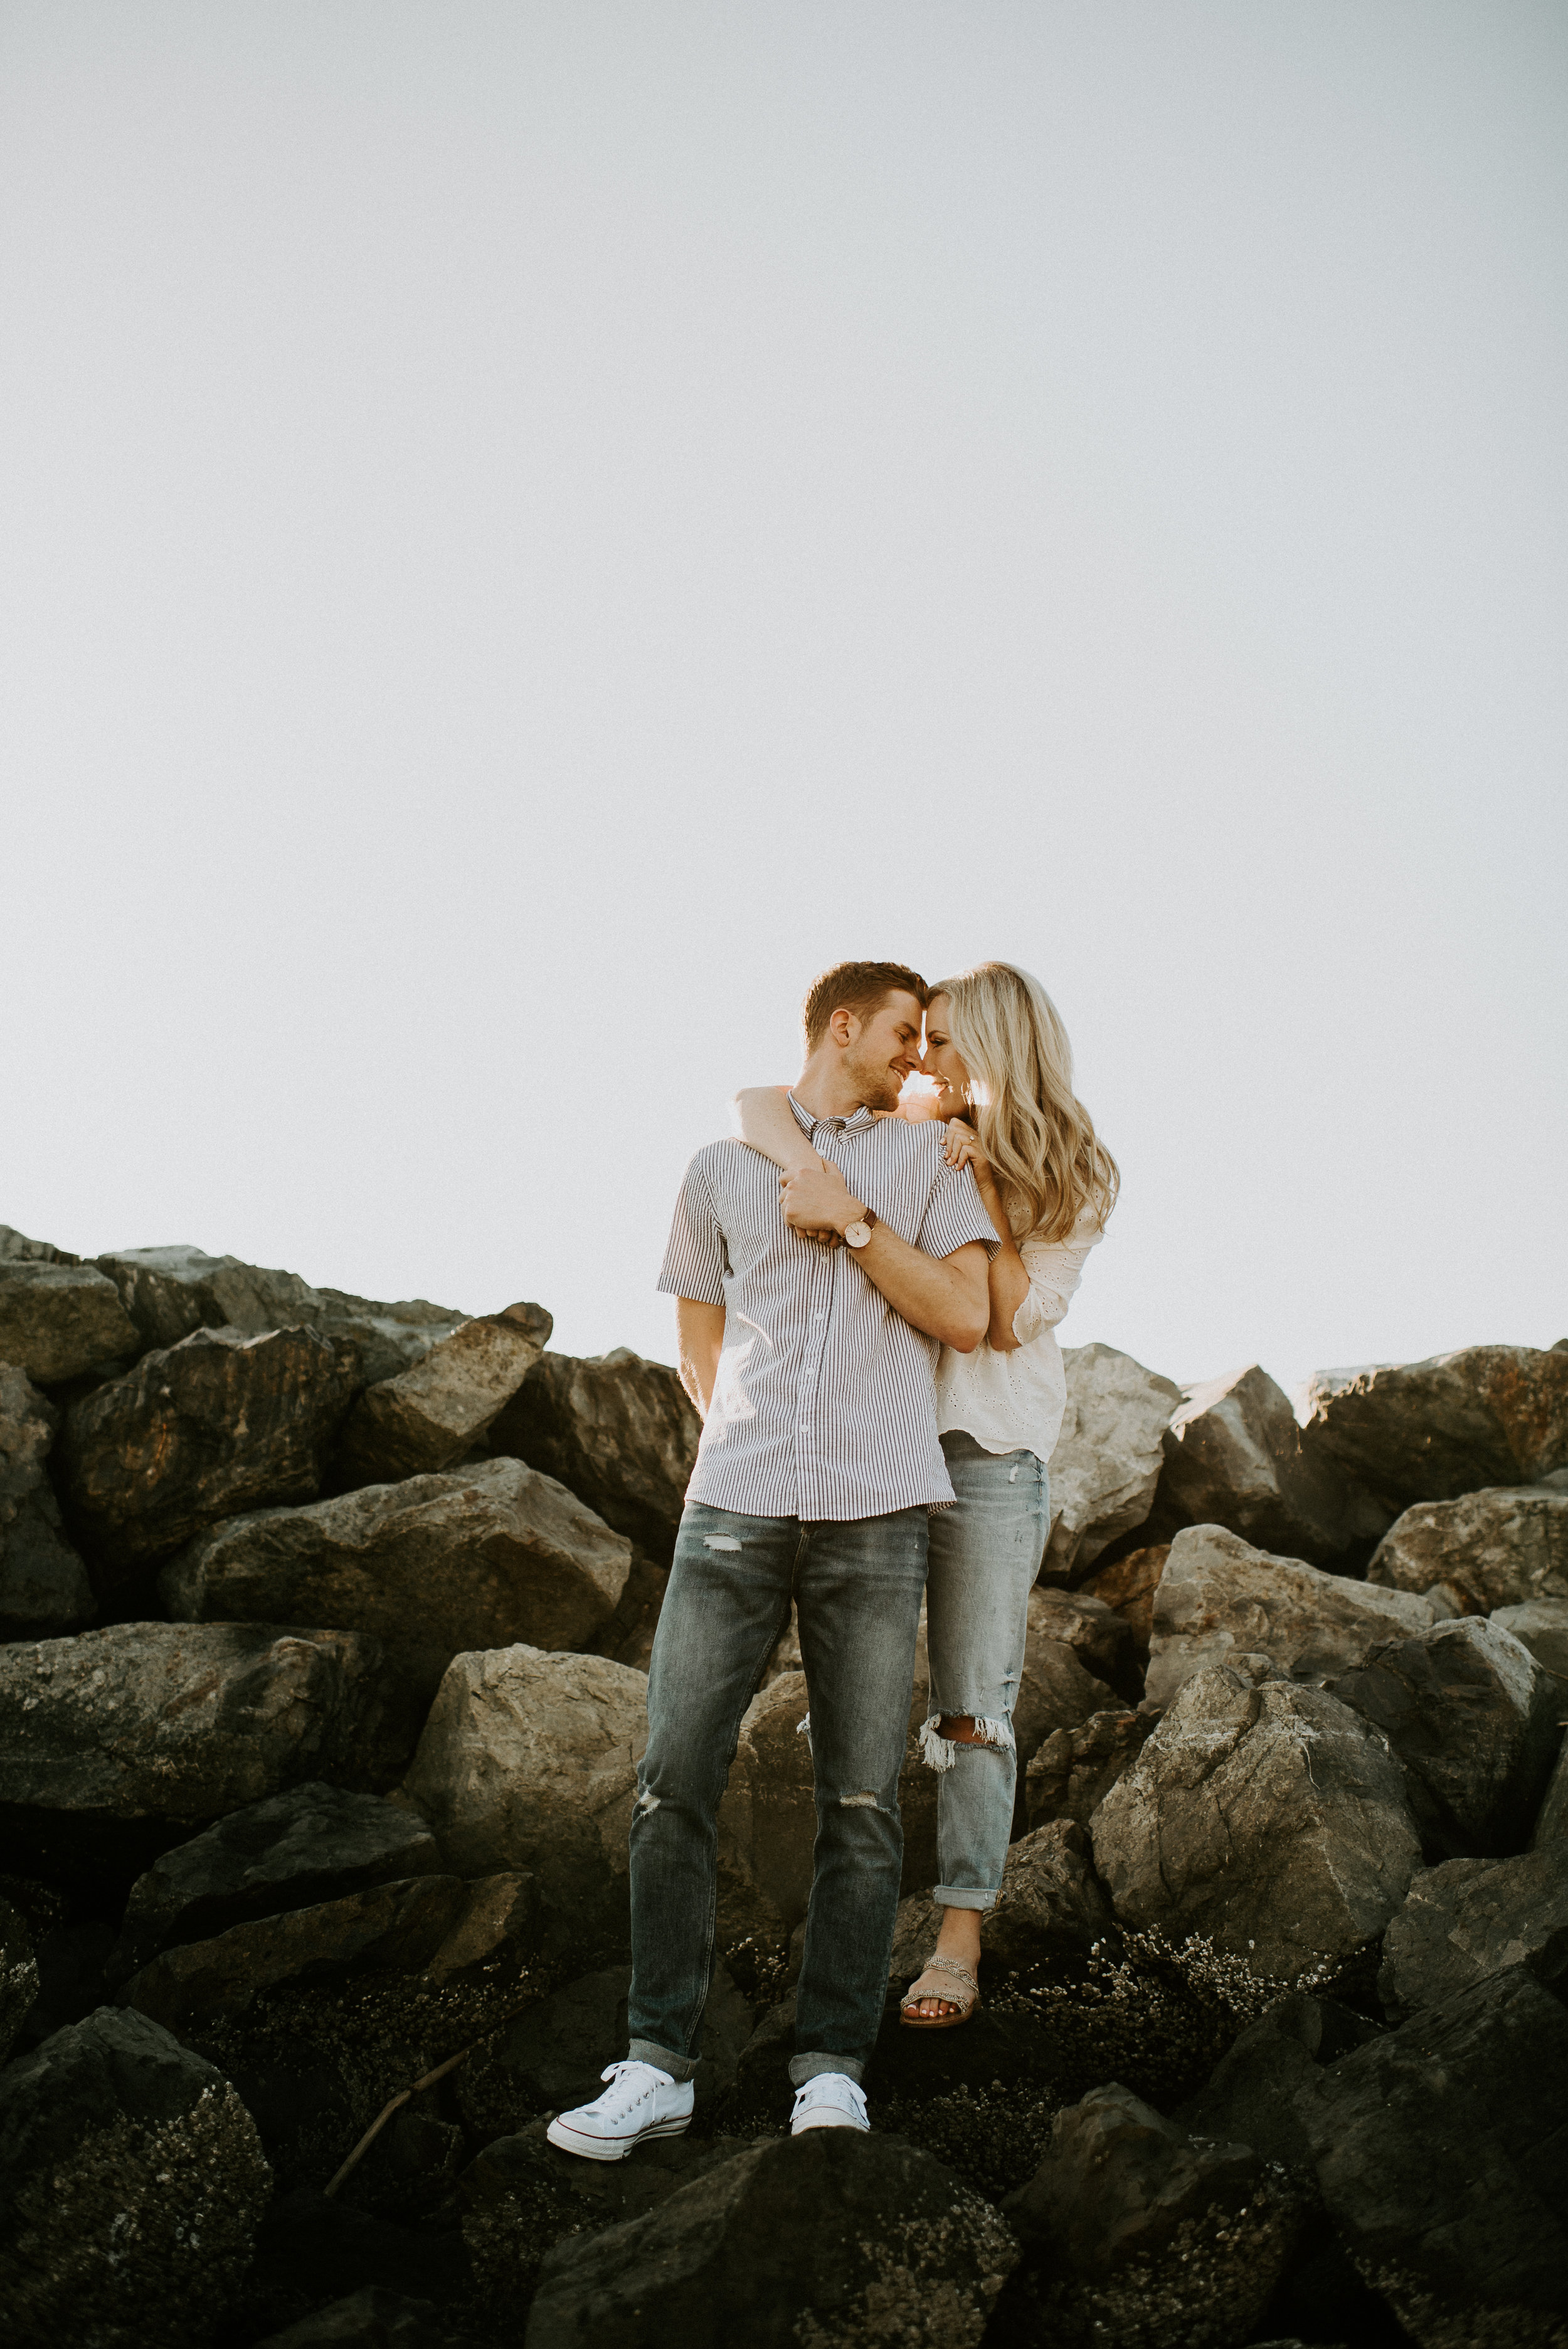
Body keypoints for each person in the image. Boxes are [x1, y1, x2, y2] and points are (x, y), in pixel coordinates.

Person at [546, 960, 1000, 2161]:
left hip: (877, 1511)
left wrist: (853, 1219)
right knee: (670, 1781)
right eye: (903, 1033)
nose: (918, 1055)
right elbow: (698, 1334)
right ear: (839, 1025)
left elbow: (965, 1312)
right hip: (733, 1509)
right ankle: (656, 2063)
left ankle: (831, 2068)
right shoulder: (717, 1169)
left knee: (860, 1799)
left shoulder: (930, 1158)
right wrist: (743, 1441)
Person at [732, 961, 1118, 2027]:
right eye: (918, 1040)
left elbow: (1002, 1319)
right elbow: (761, 1104)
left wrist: (979, 1182)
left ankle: (959, 1935)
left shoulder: (1078, 1169)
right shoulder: (906, 1121)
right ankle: (824, 1916)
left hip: (991, 1449)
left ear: (995, 1048)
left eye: (942, 1042)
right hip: (878, 1437)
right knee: (848, 1690)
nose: (920, 1060)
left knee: (973, 1703)